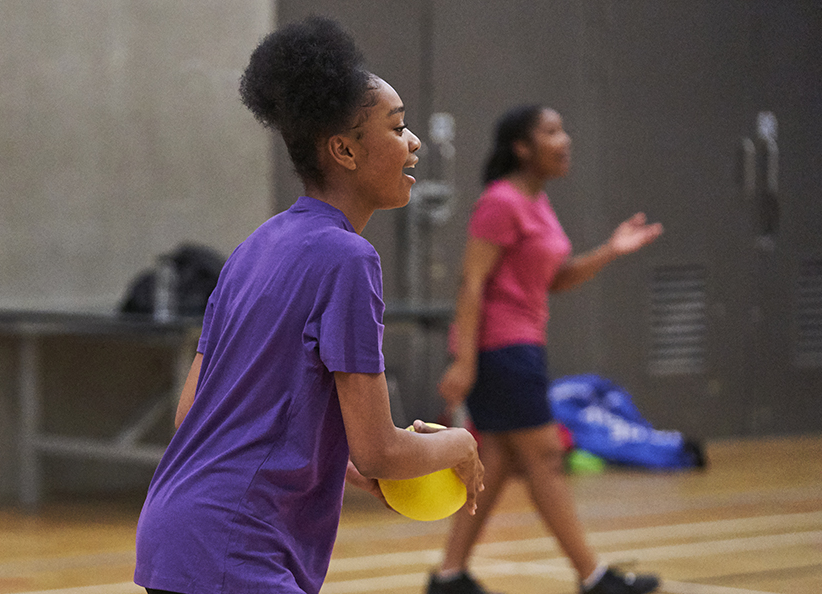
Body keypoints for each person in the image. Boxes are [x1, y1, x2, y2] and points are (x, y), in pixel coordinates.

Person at [134, 17, 484, 594]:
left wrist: (330, 465)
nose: (414, 142)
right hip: (237, 548)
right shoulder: (348, 259)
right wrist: (460, 442)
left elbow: (191, 414)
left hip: (175, 532)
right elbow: (378, 449)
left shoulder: (255, 246)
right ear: (344, 149)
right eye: (397, 129)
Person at [428, 105, 664, 594]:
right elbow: (472, 281)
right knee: (546, 459)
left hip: (522, 345)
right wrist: (465, 359)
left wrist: (610, 251)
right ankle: (593, 578)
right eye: (552, 132)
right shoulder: (502, 201)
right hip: (502, 349)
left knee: (495, 459)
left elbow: (553, 279)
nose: (565, 140)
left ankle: (449, 574)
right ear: (522, 147)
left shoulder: (537, 203)